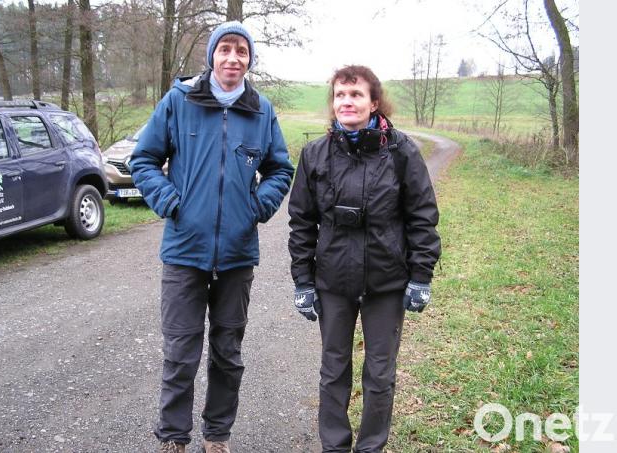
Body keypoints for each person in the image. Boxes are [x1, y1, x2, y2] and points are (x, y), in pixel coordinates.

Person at [129, 21, 294, 453]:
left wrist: (257, 207)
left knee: (227, 354)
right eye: (225, 50)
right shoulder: (179, 102)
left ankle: (216, 435)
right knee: (181, 353)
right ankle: (173, 437)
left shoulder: (262, 110)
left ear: (250, 59)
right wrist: (170, 202)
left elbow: (280, 168)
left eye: (242, 51)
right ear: (211, 56)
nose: (233, 58)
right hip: (184, 252)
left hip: (238, 255)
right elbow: (143, 159)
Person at [287, 65, 441, 452]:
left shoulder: (402, 151)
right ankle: (335, 446)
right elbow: (302, 223)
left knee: (379, 374)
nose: (346, 102)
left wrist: (421, 275)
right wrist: (303, 281)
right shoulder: (315, 154)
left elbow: (422, 215)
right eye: (340, 95)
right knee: (333, 370)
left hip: (386, 282)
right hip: (333, 282)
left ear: (374, 102)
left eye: (356, 95)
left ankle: (371, 446)